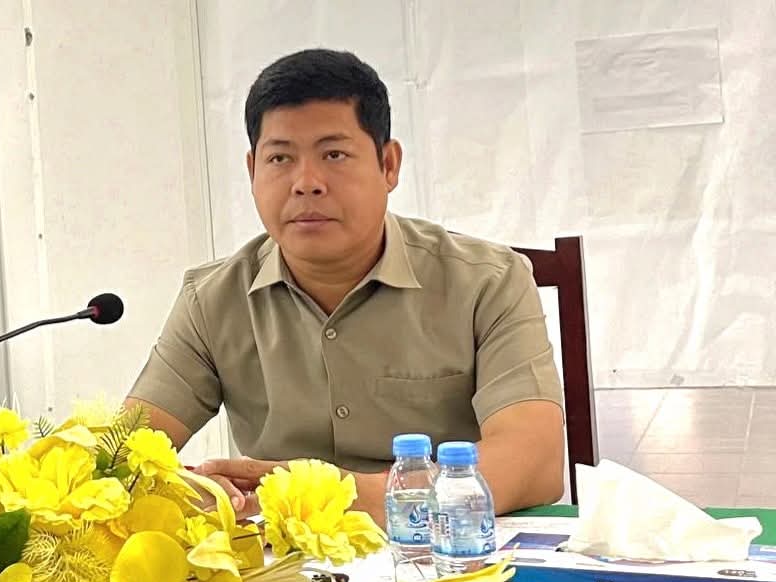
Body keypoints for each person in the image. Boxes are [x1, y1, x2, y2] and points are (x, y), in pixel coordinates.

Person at [126, 48, 565, 525]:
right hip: (284, 560)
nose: (306, 183)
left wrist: (335, 496)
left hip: (443, 549)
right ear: (252, 171)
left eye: (333, 154)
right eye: (280, 158)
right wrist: (197, 487)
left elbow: (536, 463)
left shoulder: (488, 281)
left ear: (388, 165)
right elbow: (118, 456)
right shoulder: (212, 299)